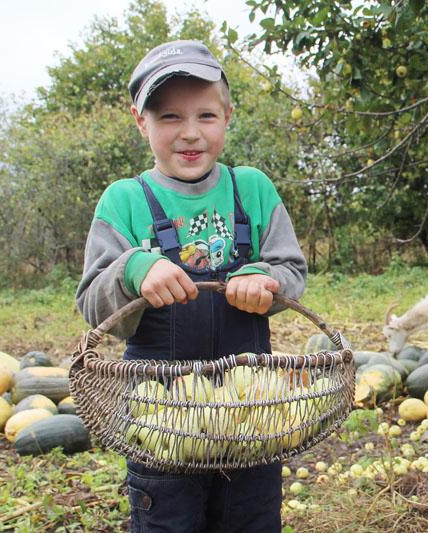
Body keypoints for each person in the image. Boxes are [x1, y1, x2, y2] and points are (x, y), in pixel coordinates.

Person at [75, 39, 307, 533]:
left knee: (251, 519)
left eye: (206, 115)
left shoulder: (252, 189)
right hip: (162, 422)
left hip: (251, 417)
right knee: (170, 521)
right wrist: (134, 270)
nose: (190, 133)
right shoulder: (124, 201)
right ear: (141, 122)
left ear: (227, 116)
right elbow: (95, 306)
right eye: (169, 117)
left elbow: (291, 271)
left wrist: (264, 278)